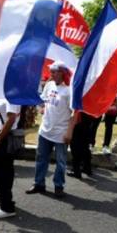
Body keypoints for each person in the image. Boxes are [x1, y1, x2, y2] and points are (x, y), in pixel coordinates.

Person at [26, 61, 75, 197]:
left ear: (62, 73)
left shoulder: (69, 90)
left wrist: (69, 132)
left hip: (61, 132)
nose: (51, 74)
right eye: (51, 71)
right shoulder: (49, 85)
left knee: (60, 162)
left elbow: (75, 113)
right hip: (45, 130)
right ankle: (38, 184)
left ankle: (58, 186)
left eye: (54, 71)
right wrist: (41, 107)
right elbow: (43, 100)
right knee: (41, 158)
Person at [0, 100, 21, 219]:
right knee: (3, 170)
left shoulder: (11, 96)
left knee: (2, 173)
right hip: (3, 136)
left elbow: (11, 118)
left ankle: (7, 207)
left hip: (5, 138)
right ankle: (2, 198)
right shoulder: (3, 94)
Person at [67, 112, 93, 179]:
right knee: (85, 147)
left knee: (75, 148)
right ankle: (87, 168)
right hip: (88, 120)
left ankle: (76, 172)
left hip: (79, 121)